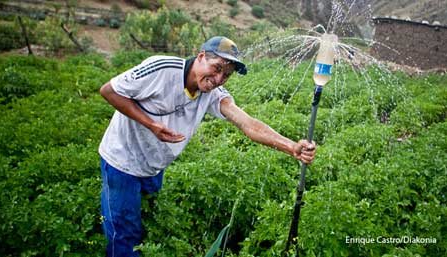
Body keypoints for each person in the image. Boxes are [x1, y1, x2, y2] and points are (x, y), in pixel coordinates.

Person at [98, 36, 316, 257]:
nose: (219, 78)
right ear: (201, 56)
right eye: (217, 67)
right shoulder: (163, 69)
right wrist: (151, 125)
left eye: (226, 75)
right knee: (124, 235)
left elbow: (247, 123)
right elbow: (109, 90)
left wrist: (291, 147)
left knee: (146, 208)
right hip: (122, 160)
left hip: (153, 164)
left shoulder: (211, 94)